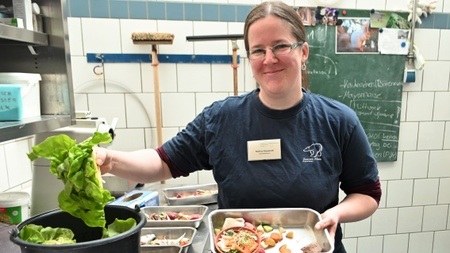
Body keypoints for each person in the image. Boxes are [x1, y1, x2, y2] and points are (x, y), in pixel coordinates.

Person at [95, 1, 381, 252]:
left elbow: (368, 193)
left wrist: (336, 213)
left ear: (303, 52)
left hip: (312, 247)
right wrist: (112, 160)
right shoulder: (222, 119)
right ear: (249, 58)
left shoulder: (338, 120)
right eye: (258, 50)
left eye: (280, 45)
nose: (269, 59)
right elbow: (162, 162)